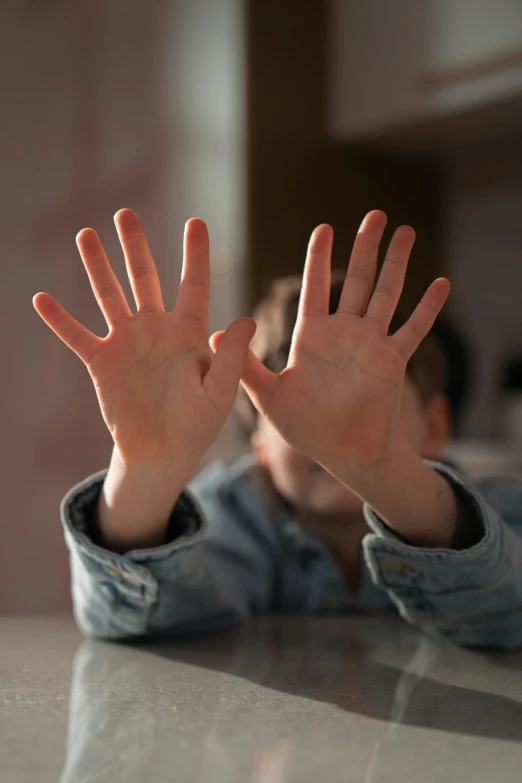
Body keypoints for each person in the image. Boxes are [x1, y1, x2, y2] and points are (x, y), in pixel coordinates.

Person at [33, 208, 522, 648]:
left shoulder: (494, 505)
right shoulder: (241, 511)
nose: (327, 429)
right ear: (260, 447)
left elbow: (508, 614)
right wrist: (145, 472)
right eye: (294, 412)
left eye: (378, 402)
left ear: (436, 425)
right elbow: (135, 618)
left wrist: (383, 470)